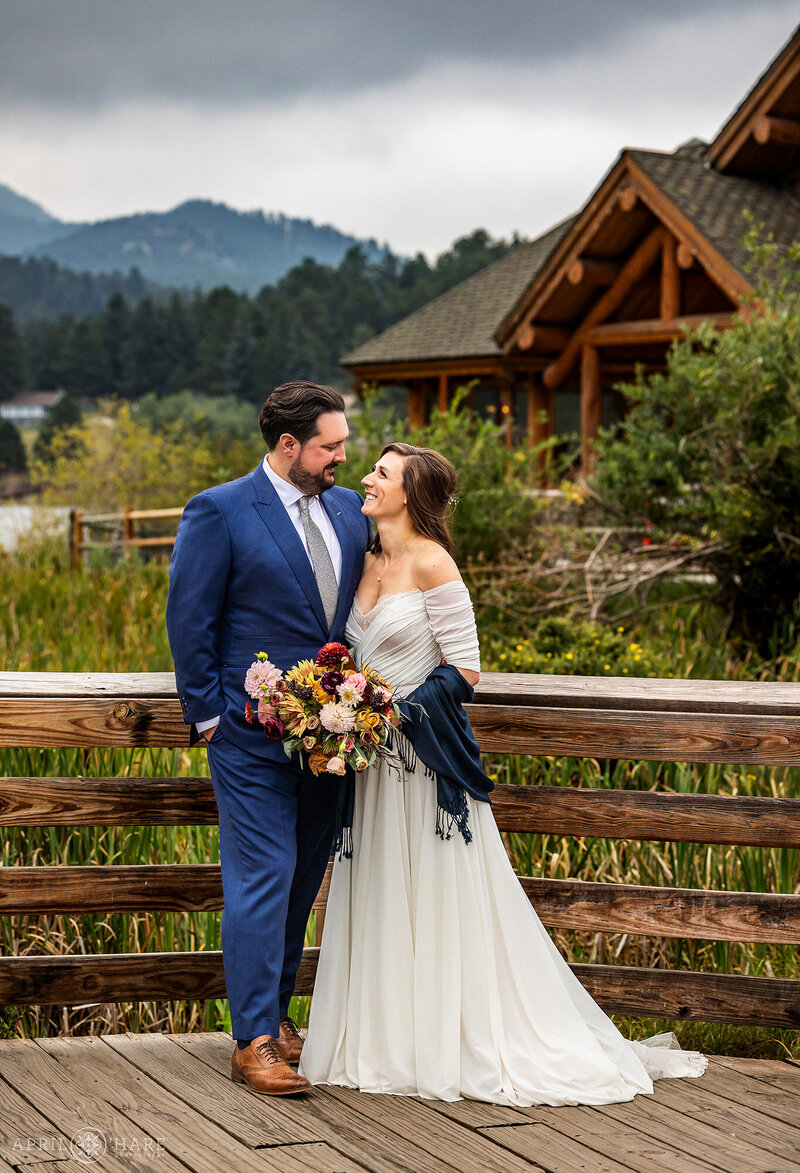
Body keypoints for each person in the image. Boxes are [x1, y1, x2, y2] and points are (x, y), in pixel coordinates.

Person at [298, 441, 707, 1106]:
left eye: (382, 472)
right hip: (371, 771)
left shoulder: (435, 562)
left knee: (438, 901)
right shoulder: (366, 557)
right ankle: (376, 1038)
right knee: (377, 889)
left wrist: (392, 710)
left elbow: (465, 668)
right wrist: (339, 694)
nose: (367, 479)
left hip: (428, 766)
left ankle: (450, 1039)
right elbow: (349, 649)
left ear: (412, 493)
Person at [166, 381, 372, 1096]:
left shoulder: (349, 508)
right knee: (262, 876)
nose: (343, 456)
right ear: (289, 445)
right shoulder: (220, 510)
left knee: (301, 878)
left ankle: (279, 1019)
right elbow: (189, 619)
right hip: (249, 738)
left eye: (343, 443)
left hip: (332, 739)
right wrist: (211, 716)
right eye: (330, 445)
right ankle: (251, 1039)